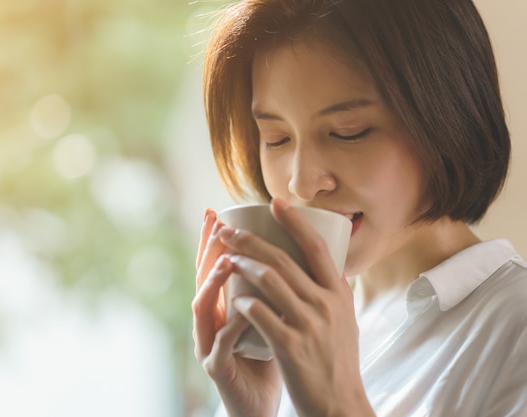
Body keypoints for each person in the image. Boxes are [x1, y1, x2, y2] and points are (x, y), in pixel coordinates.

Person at [191, 0, 527, 416]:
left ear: (448, 119)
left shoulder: (514, 329)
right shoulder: (287, 335)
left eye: (347, 132)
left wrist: (338, 406)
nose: (301, 183)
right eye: (276, 138)